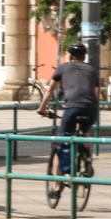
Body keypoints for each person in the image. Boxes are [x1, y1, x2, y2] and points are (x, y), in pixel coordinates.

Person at [38, 42, 100, 186]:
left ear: (70, 55)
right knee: (85, 133)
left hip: (72, 108)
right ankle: (87, 160)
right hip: (91, 109)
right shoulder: (92, 70)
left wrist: (42, 108)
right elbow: (96, 94)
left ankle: (57, 185)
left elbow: (50, 91)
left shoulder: (63, 68)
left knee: (63, 141)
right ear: (84, 56)